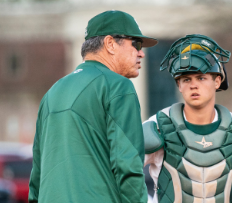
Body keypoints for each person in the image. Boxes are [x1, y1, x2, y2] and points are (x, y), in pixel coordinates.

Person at [28, 10, 158, 203]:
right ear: (110, 44)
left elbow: (37, 174)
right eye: (136, 44)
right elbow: (128, 166)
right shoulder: (118, 86)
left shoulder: (52, 93)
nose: (141, 53)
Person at [142, 34, 232, 203]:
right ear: (179, 85)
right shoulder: (159, 125)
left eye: (201, 78)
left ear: (217, 81)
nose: (193, 85)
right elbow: (123, 169)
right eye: (186, 79)